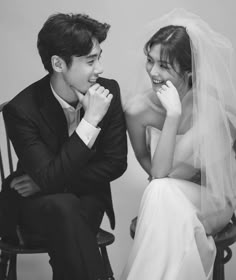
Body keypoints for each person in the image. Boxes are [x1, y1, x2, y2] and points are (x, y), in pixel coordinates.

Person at [2, 12, 127, 280]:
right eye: (91, 61)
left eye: (99, 57)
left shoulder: (108, 93)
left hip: (84, 198)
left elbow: (116, 163)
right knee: (64, 208)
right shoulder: (21, 110)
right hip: (34, 206)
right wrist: (90, 120)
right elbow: (47, 178)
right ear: (58, 63)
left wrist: (47, 181)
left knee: (69, 210)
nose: (100, 69)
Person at [121, 8, 236, 280]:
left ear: (188, 71)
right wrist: (171, 115)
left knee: (161, 192)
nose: (153, 71)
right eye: (150, 60)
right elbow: (155, 172)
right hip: (167, 196)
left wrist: (173, 114)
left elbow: (164, 174)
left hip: (213, 199)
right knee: (162, 192)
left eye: (164, 65)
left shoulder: (207, 108)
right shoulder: (137, 110)